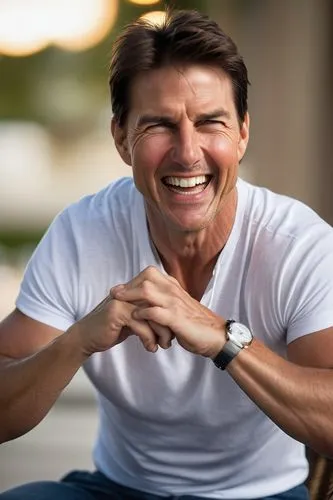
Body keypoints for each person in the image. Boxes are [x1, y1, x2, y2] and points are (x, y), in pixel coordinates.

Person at [0, 8, 333, 500]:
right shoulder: (82, 232)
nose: (187, 152)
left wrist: (225, 340)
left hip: (258, 495)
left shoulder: (298, 244)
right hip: (116, 490)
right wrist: (76, 341)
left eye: (210, 123)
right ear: (120, 137)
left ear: (242, 132)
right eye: (159, 125)